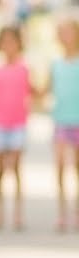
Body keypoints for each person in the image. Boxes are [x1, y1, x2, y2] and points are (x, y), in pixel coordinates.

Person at [0, 23, 33, 230]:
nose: (8, 45)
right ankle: (0, 214)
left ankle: (18, 215)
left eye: (12, 41)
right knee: (1, 173)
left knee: (16, 170)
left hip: (18, 125)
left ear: (19, 44)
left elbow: (33, 92)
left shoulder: (24, 69)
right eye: (4, 41)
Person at [50, 14, 79, 232]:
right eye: (63, 32)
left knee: (76, 169)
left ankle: (76, 212)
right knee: (60, 168)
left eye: (69, 31)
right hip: (61, 122)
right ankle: (61, 213)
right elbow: (45, 90)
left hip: (77, 122)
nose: (66, 36)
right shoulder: (56, 63)